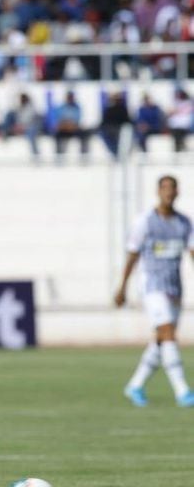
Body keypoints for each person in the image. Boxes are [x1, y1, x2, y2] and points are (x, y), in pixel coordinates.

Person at [116, 176, 194, 408]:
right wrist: (122, 287)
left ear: (177, 192)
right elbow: (132, 255)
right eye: (165, 188)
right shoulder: (145, 222)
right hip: (152, 286)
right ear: (158, 191)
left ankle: (135, 385)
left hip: (174, 287)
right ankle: (182, 391)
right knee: (167, 332)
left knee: (161, 340)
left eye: (172, 188)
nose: (169, 192)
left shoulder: (184, 223)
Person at [98, 91, 131, 159]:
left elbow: (127, 120)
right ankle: (115, 152)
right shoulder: (109, 109)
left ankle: (117, 153)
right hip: (109, 128)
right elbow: (104, 121)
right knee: (102, 134)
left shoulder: (122, 109)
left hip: (119, 128)